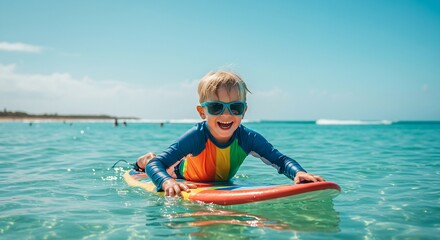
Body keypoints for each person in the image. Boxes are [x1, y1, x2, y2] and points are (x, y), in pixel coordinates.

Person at [136, 71, 324, 197]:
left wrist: (298, 173)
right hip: (183, 173)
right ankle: (144, 158)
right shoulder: (197, 136)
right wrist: (167, 181)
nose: (226, 114)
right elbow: (157, 165)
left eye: (235, 107)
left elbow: (280, 160)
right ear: (202, 112)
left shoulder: (248, 138)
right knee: (158, 163)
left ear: (244, 111)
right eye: (216, 107)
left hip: (218, 179)